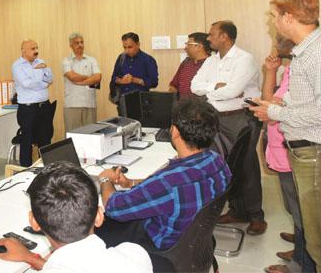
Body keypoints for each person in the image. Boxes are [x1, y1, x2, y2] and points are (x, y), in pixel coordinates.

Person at [249, 0, 321, 273]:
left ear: (289, 17)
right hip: (307, 154)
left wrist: (274, 111)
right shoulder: (305, 53)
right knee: (315, 237)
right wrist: (275, 101)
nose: (273, 22)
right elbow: (303, 98)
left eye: (275, 16)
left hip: (318, 155)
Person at [96, 98, 231, 250]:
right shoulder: (218, 162)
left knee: (100, 223)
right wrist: (131, 184)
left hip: (162, 247)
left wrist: (105, 178)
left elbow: (113, 207)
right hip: (194, 243)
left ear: (174, 131)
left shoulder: (169, 182)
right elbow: (160, 189)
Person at [0, 161, 152, 273]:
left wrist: (31, 257)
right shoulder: (136, 256)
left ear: (34, 222)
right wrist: (33, 259)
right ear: (99, 216)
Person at [190, 20, 266, 235]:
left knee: (246, 165)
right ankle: (236, 210)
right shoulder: (212, 60)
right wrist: (215, 87)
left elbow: (233, 91)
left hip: (240, 118)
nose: (208, 38)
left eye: (212, 34)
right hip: (216, 119)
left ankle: (255, 215)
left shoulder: (245, 59)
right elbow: (194, 86)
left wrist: (212, 92)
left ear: (224, 36)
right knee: (225, 166)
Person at [261, 35, 316, 273]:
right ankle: (300, 249)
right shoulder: (290, 68)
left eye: (280, 38)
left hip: (296, 149)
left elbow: (278, 106)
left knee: (304, 213)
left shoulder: (305, 68)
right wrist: (271, 71)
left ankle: (300, 265)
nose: (276, 42)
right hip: (281, 147)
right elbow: (269, 101)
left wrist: (272, 107)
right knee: (296, 209)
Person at [12, 39, 53, 167]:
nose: (36, 51)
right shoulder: (17, 66)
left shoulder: (41, 62)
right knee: (27, 140)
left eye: (36, 48)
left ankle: (46, 169)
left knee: (45, 139)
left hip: (43, 107)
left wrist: (43, 74)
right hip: (28, 109)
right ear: (24, 51)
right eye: (33, 49)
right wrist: (41, 81)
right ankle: (25, 171)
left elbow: (50, 79)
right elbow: (27, 84)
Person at [109, 32, 158, 115]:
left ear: (138, 44)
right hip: (122, 102)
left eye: (130, 47)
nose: (127, 50)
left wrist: (134, 80)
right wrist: (122, 81)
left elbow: (154, 82)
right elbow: (113, 78)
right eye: (124, 47)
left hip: (141, 104)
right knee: (124, 127)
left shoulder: (148, 60)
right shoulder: (121, 58)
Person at [62, 32, 102, 131]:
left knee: (91, 136)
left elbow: (98, 77)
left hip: (90, 103)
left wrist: (81, 81)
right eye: (77, 43)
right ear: (71, 45)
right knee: (73, 136)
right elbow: (72, 77)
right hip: (72, 105)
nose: (80, 45)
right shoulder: (66, 61)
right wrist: (89, 78)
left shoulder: (92, 60)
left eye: (82, 42)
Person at [168, 32, 211, 99]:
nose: (185, 48)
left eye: (188, 44)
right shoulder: (186, 62)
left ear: (199, 46)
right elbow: (173, 85)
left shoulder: (212, 63)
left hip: (203, 107)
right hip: (183, 106)